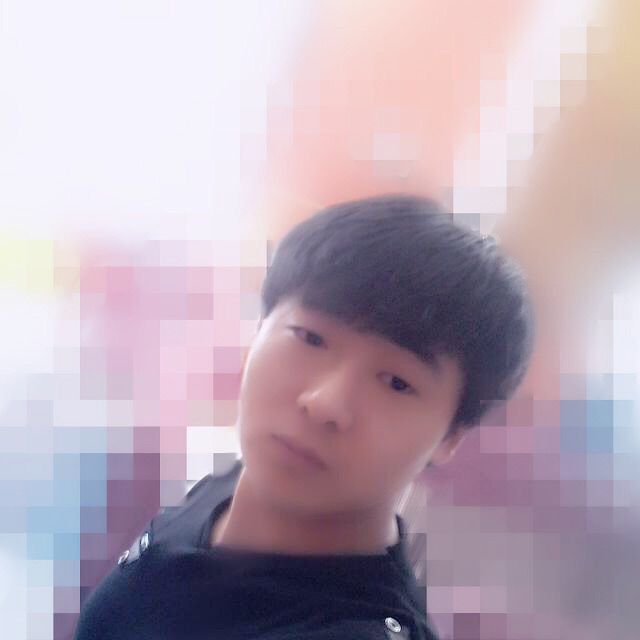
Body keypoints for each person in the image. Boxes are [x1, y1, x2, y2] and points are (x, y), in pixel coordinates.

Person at [73, 194, 535, 640]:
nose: (324, 402)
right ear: (259, 329)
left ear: (451, 436)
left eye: (396, 382)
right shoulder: (226, 487)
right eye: (310, 338)